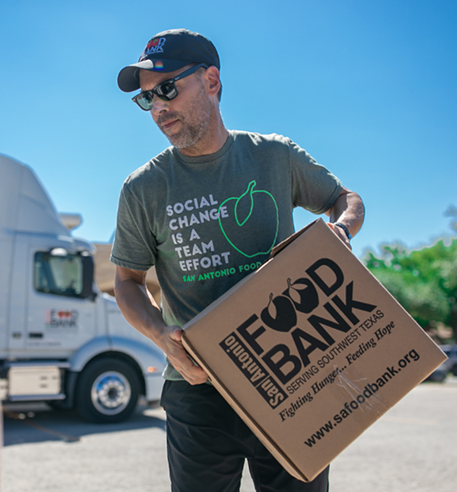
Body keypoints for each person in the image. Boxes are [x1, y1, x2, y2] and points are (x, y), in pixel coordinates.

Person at [111, 28, 365, 492]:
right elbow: (127, 281)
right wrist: (160, 334)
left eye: (167, 88)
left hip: (293, 376)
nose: (159, 107)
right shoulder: (143, 187)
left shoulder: (273, 156)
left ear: (211, 80)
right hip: (197, 386)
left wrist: (339, 232)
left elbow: (345, 199)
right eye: (147, 99)